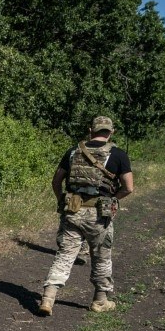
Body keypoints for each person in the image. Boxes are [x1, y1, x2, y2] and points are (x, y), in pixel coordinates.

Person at [38, 116, 134, 316]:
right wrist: (113, 199)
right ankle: (100, 300)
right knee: (101, 256)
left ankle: (48, 297)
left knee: (65, 255)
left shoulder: (73, 151)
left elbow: (56, 181)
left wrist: (61, 199)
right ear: (111, 132)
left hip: (72, 210)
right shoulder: (118, 154)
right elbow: (129, 188)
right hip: (100, 215)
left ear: (91, 130)